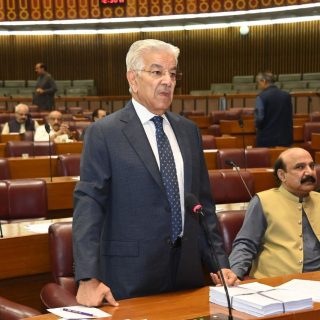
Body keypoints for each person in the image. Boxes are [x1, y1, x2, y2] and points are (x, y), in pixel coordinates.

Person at [73, 39, 238, 307]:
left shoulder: (188, 131)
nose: (168, 81)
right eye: (157, 71)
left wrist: (219, 263)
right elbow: (89, 207)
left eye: (173, 73)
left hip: (187, 272)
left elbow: (202, 205)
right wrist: (87, 277)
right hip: (129, 276)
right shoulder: (104, 133)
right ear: (132, 78)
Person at [230, 147, 320, 279]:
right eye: (300, 167)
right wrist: (234, 273)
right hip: (275, 282)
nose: (309, 172)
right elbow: (246, 243)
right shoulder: (263, 201)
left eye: (311, 166)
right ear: (282, 175)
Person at [254, 71, 293, 147]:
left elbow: (259, 118)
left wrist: (257, 127)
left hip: (267, 140)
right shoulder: (286, 95)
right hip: (285, 140)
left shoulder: (261, 97)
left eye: (258, 83)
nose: (258, 86)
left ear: (264, 81)